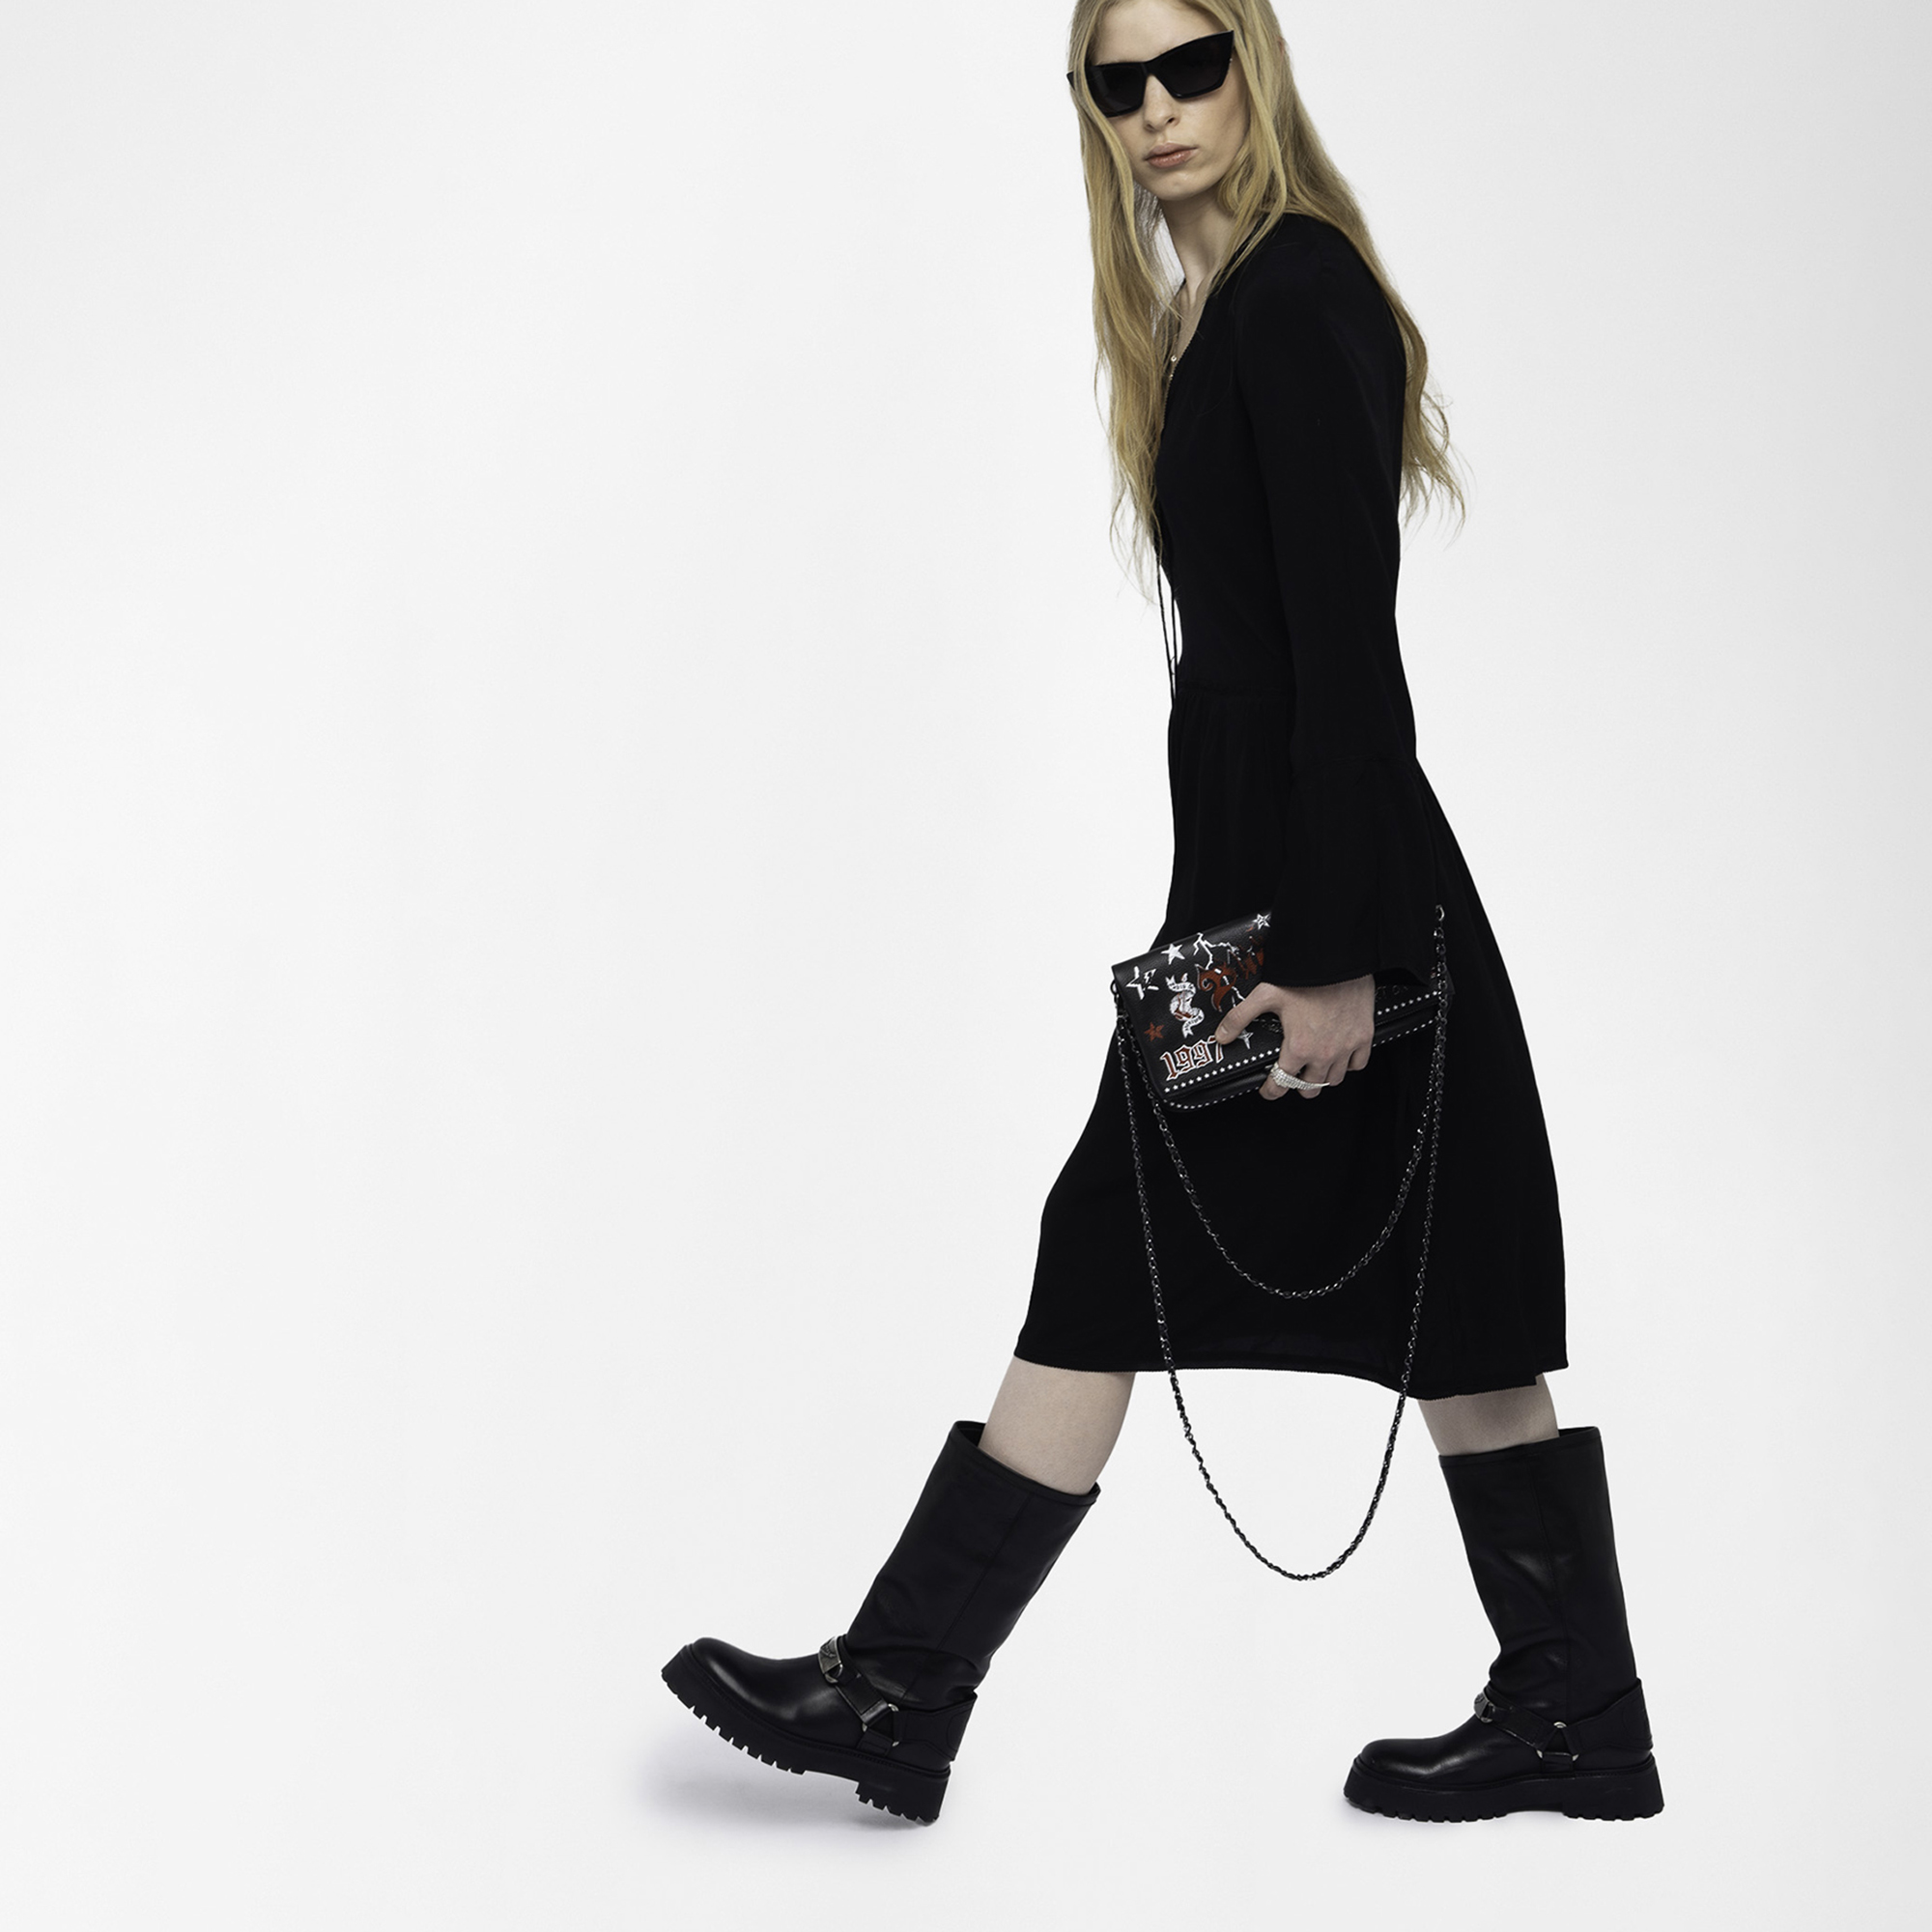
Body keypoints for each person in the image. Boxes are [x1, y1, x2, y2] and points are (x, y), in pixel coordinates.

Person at [663, 0, 1662, 1827]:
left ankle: (901, 1685)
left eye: (1189, 63)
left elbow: (1348, 657)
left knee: (1233, 1269)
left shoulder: (1296, 295)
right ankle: (1572, 1712)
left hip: (1334, 915)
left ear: (1252, 61)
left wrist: (1333, 956)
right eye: (1115, 83)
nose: (1156, 108)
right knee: (1390, 1288)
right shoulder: (1202, 316)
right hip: (1272, 899)